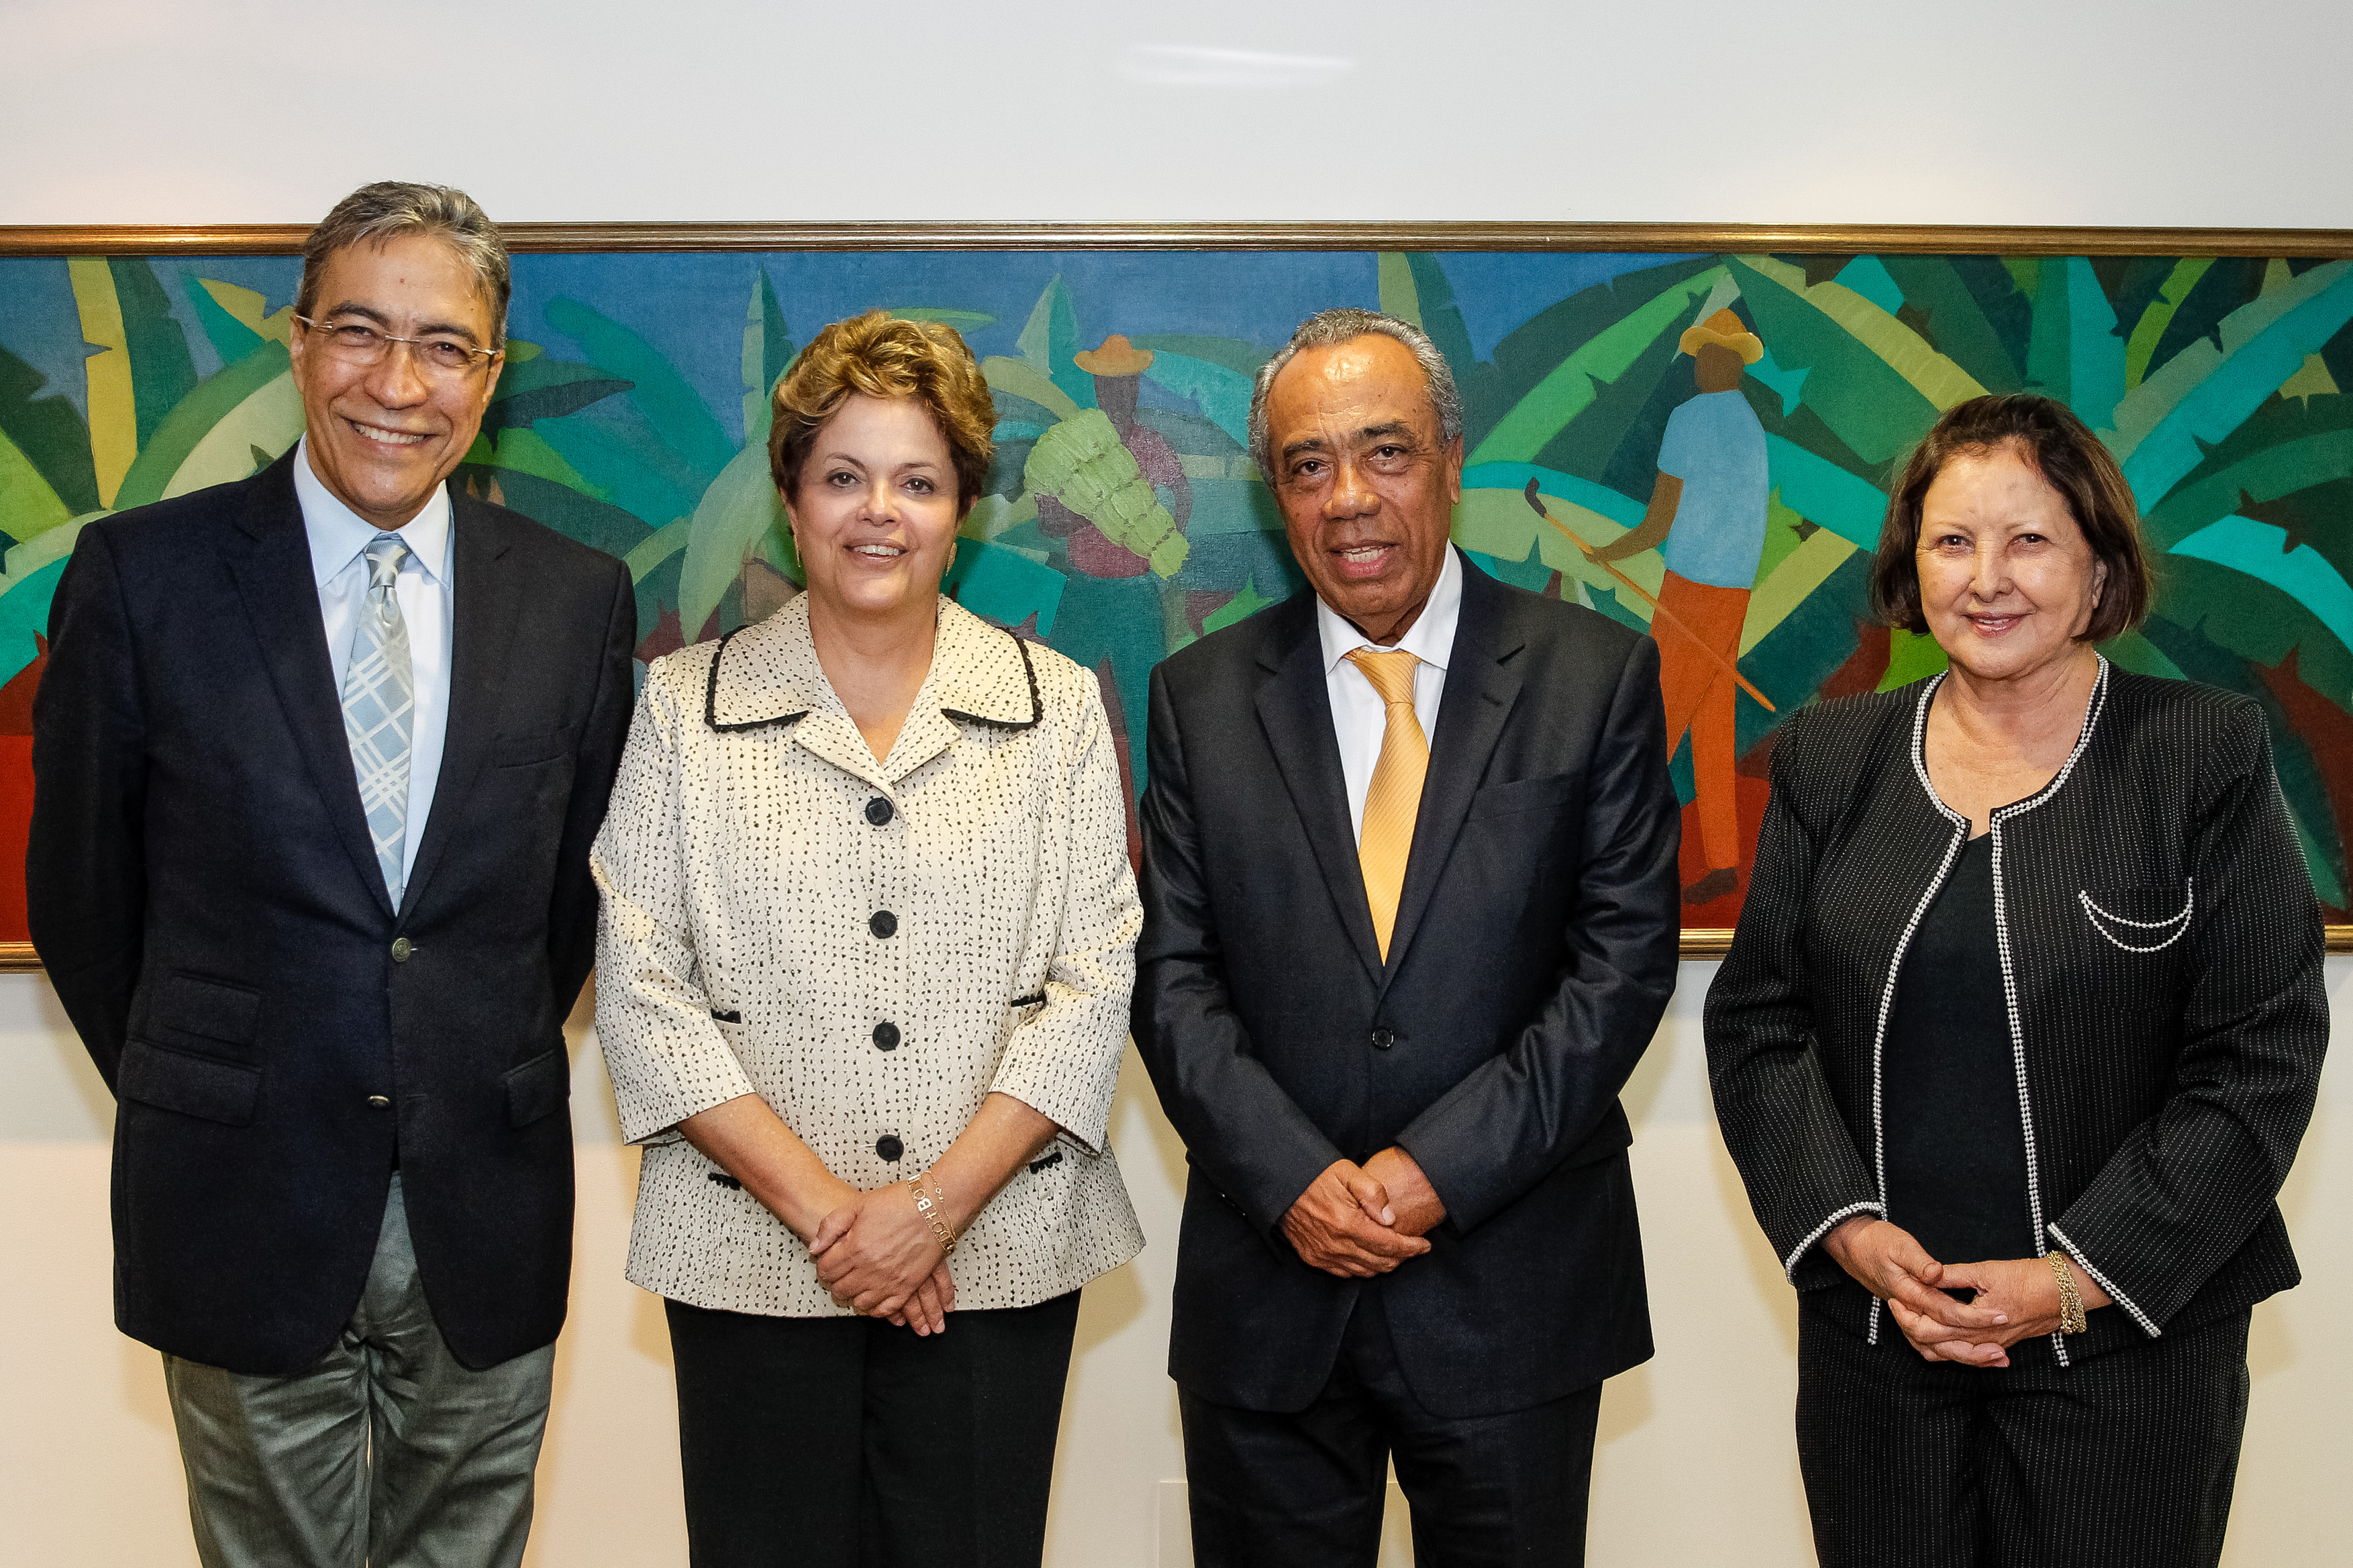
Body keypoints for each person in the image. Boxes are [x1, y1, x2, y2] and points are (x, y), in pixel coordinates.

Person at [27, 181, 636, 1567]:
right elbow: (81, 896)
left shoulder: (575, 596)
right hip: (235, 1185)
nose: (396, 383)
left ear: (490, 375)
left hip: (484, 1184)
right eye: (359, 331)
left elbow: (569, 903)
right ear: (297, 342)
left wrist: (444, 1050)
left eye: (443, 346)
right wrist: (215, 1073)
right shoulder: (142, 577)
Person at [1705, 393, 2326, 1568]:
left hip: (2128, 1356)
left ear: (2097, 569)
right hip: (1881, 1346)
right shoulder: (1830, 757)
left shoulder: (2201, 752)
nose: (1987, 577)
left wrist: (2076, 1278)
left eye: (2029, 539)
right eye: (1952, 541)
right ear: (1911, 567)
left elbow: (2259, 1058)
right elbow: (1759, 1022)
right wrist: (1839, 1227)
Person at [1132, 307, 1683, 1568]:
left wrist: (1435, 1170)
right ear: (1277, 493)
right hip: (1271, 1296)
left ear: (1449, 456)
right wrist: (1294, 1180)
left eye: (1384, 452)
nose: (1349, 500)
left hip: (1514, 1289)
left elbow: (1618, 967)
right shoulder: (1201, 698)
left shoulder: (1595, 676)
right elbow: (1172, 979)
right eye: (1306, 464)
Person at [592, 310, 1144, 1568]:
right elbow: (640, 984)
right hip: (745, 1252)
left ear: (965, 510)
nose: (877, 512)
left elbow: (1094, 976)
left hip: (997, 1259)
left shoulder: (1053, 707)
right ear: (792, 499)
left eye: (916, 480)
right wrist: (842, 1217)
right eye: (842, 475)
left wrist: (932, 1211)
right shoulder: (685, 704)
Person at [1592, 307, 1771, 905]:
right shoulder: (1750, 425)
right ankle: (1723, 860)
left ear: (1728, 363)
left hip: (1693, 589)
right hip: (1734, 592)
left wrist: (1607, 552)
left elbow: (1658, 521)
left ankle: (1622, 862)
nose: (1700, 365)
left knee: (1657, 723)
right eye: (1699, 356)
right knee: (1712, 725)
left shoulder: (1689, 418)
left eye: (1708, 356)